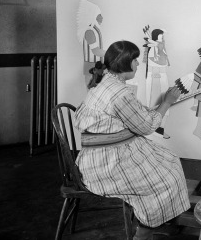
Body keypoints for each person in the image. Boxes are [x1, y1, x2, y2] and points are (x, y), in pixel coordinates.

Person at [74, 40, 189, 240]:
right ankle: (144, 232)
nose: (137, 65)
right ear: (124, 63)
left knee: (169, 160)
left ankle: (157, 219)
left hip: (97, 156)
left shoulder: (107, 84)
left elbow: (129, 116)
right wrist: (167, 102)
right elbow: (147, 127)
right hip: (104, 165)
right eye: (135, 61)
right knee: (166, 178)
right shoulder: (118, 93)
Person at [143, 27, 171, 139]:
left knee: (166, 106)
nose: (163, 40)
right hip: (156, 82)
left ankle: (161, 129)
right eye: (161, 38)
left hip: (162, 80)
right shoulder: (153, 50)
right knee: (157, 105)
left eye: (163, 38)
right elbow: (155, 67)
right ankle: (156, 130)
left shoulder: (160, 48)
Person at [76, 0, 105, 87]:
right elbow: (95, 51)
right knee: (92, 92)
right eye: (99, 15)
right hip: (91, 68)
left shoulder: (95, 30)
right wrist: (110, 53)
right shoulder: (89, 31)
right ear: (93, 16)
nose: (102, 17)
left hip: (98, 67)